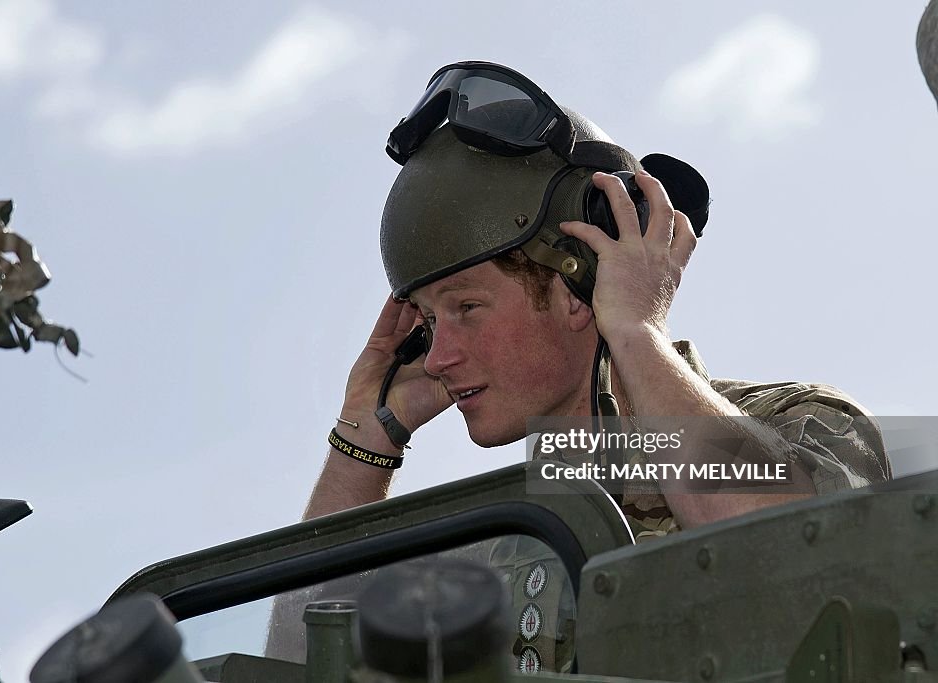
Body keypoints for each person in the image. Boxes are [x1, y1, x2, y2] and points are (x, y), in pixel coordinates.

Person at [270, 62, 891, 671]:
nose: (436, 355)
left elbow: (788, 567)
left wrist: (635, 330)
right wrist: (365, 439)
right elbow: (295, 667)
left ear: (578, 286)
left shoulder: (803, 427)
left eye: (466, 307)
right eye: (429, 322)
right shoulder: (493, 544)